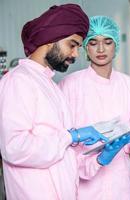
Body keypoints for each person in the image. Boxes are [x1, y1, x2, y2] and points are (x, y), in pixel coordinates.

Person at [0, 4, 111, 199]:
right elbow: (14, 148)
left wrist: (97, 160)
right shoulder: (18, 81)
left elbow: (62, 154)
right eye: (72, 44)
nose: (76, 54)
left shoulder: (49, 85)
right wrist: (71, 136)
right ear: (51, 39)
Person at [59, 16, 130, 200]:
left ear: (115, 45)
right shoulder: (69, 85)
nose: (101, 49)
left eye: (107, 42)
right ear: (85, 47)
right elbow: (60, 140)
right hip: (83, 186)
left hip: (121, 184)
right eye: (94, 43)